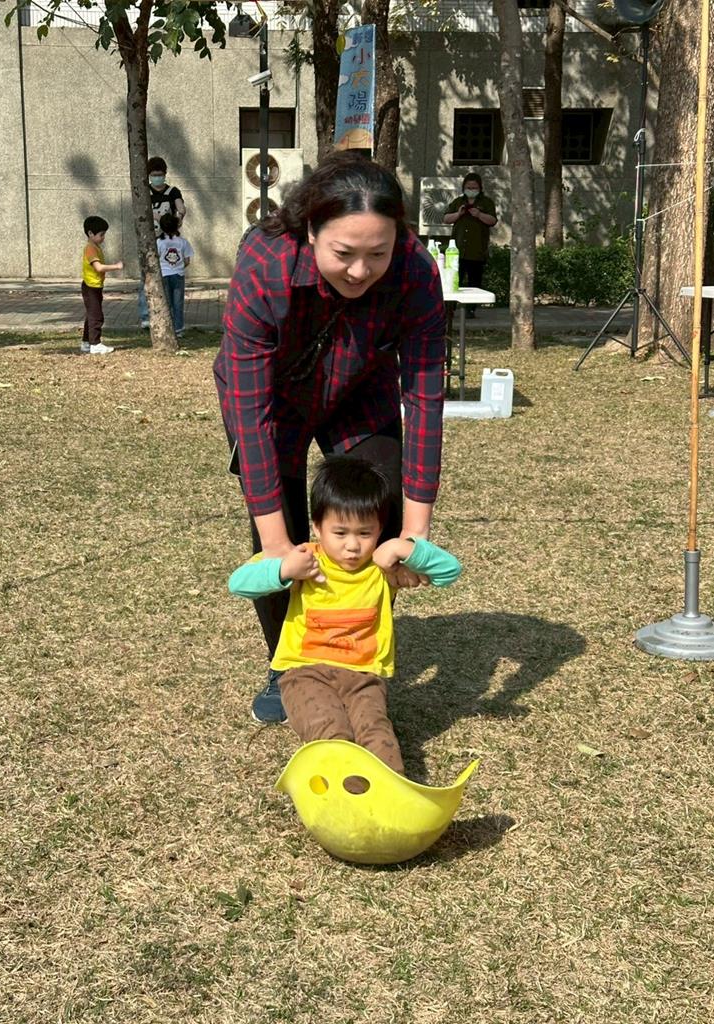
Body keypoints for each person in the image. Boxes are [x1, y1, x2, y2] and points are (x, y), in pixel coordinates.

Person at [214, 151, 446, 725]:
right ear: (312, 229)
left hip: (360, 389)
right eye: (344, 254)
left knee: (375, 514)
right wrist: (276, 548)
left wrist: (415, 533)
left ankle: (356, 654)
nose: (361, 271)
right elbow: (251, 412)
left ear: (399, 239)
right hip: (272, 398)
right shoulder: (264, 262)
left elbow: (424, 398)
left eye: (377, 254)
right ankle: (290, 664)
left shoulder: (416, 271)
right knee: (283, 535)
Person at [228, 456, 462, 770]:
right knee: (329, 728)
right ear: (317, 526)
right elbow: (238, 584)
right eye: (340, 533)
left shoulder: (382, 570)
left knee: (376, 732)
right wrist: (284, 569)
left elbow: (450, 571)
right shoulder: (306, 561)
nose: (352, 545)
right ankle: (341, 787)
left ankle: (388, 788)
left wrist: (402, 547)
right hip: (304, 674)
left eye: (365, 534)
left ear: (379, 529)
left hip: (363, 678)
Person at [138, 156, 187, 328]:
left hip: (167, 239)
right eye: (154, 175)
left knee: (169, 280)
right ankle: (146, 316)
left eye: (160, 174)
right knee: (146, 277)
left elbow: (181, 207)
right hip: (149, 239)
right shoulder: (145, 191)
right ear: (149, 175)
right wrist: (158, 216)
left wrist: (179, 216)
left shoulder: (173, 192)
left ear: (165, 174)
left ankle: (170, 317)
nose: (157, 178)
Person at [443, 172, 497, 318]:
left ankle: (470, 310)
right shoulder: (458, 202)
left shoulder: (486, 202)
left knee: (474, 281)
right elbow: (446, 218)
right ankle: (449, 309)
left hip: (477, 250)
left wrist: (479, 214)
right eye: (468, 187)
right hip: (457, 249)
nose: (471, 190)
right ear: (463, 188)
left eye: (474, 187)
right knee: (454, 280)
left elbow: (492, 220)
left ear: (480, 188)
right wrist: (458, 214)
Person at [80, 215, 123, 355]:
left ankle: (86, 342)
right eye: (101, 234)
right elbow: (98, 267)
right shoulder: (91, 249)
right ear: (90, 233)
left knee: (91, 315)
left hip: (95, 286)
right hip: (90, 287)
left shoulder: (95, 247)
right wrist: (116, 266)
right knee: (96, 316)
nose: (103, 238)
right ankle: (95, 344)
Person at [157, 213, 194, 337]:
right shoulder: (183, 242)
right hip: (178, 274)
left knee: (166, 302)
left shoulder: (159, 242)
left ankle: (167, 327)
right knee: (178, 302)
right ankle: (179, 328)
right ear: (177, 226)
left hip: (164, 274)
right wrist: (179, 267)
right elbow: (187, 261)